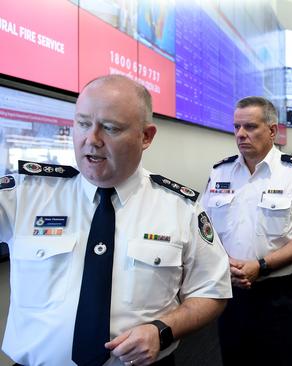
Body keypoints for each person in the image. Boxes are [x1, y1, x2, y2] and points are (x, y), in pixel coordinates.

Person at [0, 75, 232, 366]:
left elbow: (212, 291)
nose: (92, 139)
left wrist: (161, 331)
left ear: (146, 136)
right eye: (83, 123)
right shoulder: (23, 195)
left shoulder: (180, 208)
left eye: (110, 128)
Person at [201, 96, 292, 365]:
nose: (240, 134)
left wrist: (261, 265)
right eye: (236, 127)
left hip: (282, 293)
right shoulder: (220, 173)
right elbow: (203, 230)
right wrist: (227, 265)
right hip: (232, 289)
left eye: (250, 127)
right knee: (236, 358)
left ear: (272, 130)